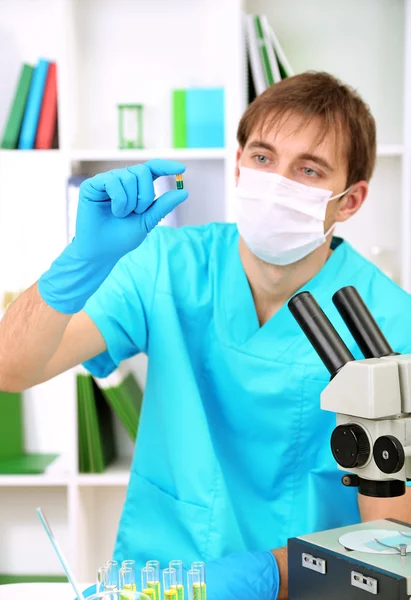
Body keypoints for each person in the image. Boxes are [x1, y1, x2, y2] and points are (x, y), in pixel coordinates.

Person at [1, 71, 410, 600]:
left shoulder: (388, 321)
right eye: (263, 157)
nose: (277, 182)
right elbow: (12, 368)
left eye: (308, 169)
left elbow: (391, 535)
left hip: (309, 586)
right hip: (161, 583)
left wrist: (271, 574)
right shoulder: (168, 265)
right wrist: (78, 264)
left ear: (350, 201)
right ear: (239, 163)